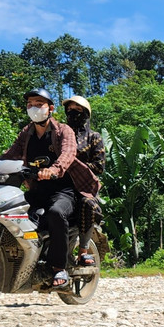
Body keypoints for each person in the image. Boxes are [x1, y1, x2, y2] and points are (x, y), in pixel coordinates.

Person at [0, 88, 78, 289]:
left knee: (56, 213)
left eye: (38, 104)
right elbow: (10, 154)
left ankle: (59, 268)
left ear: (50, 108)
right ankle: (26, 261)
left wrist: (54, 170)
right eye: (29, 104)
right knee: (12, 212)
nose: (33, 108)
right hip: (37, 190)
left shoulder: (63, 131)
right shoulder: (27, 133)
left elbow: (68, 154)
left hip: (63, 191)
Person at [62, 95, 105, 267]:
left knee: (87, 204)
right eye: (70, 110)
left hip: (83, 187)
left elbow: (99, 167)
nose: (73, 113)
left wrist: (74, 165)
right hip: (58, 183)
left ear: (86, 114)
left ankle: (83, 252)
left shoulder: (94, 137)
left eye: (78, 110)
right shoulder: (59, 134)